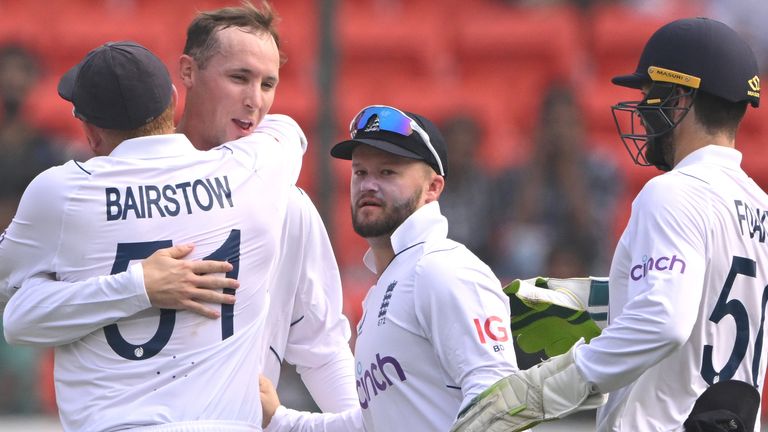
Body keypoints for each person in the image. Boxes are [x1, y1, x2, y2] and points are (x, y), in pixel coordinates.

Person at [4, 0, 359, 417]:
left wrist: (357, 423)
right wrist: (136, 288)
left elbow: (322, 342)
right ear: (185, 75)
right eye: (239, 78)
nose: (254, 101)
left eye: (268, 84)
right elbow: (20, 314)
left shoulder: (285, 201)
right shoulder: (95, 195)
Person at [451, 17, 768, 432]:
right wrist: (605, 299)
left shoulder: (671, 191)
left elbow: (664, 320)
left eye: (649, 94)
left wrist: (551, 386)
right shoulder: (759, 205)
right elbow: (706, 310)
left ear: (680, 99)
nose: (640, 108)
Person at [260, 105, 520, 432]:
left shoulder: (443, 268)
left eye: (388, 173)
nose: (368, 185)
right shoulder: (392, 284)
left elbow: (498, 401)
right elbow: (372, 423)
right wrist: (281, 421)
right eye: (360, 172)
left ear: (433, 188)